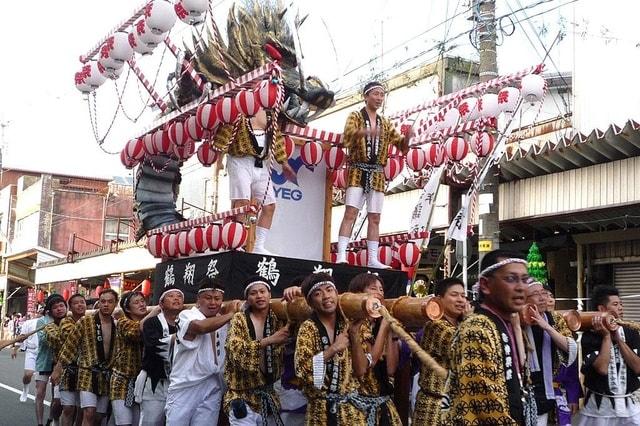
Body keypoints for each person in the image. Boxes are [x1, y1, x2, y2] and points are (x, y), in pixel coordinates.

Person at [443, 249, 534, 425]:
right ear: (485, 285)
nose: (521, 287)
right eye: (511, 278)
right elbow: (486, 404)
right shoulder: (477, 329)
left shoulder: (503, 322)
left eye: (525, 280)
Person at [335, 81, 410, 268]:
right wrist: (367, 131)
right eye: (376, 94)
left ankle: (373, 259)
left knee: (375, 217)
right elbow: (347, 136)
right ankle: (341, 255)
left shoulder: (385, 122)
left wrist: (408, 138)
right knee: (350, 212)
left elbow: (400, 145)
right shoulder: (355, 116)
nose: (379, 98)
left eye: (382, 95)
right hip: (357, 169)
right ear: (366, 96)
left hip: (377, 173)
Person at [214, 108, 295, 255]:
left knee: (269, 205)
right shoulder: (239, 108)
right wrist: (218, 161)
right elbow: (224, 135)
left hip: (261, 163)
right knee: (242, 204)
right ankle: (236, 244)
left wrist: (284, 163)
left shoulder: (270, 113)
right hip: (240, 160)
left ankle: (259, 246)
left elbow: (277, 138)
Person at [294, 273, 368, 424]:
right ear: (310, 302)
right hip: (320, 412)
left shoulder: (348, 324)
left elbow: (361, 371)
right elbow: (302, 370)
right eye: (318, 293)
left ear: (336, 293)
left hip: (350, 411)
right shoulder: (308, 328)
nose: (326, 296)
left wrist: (354, 334)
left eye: (329, 290)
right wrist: (333, 348)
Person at [165, 277, 233, 426]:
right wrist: (231, 314)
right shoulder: (186, 316)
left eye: (217, 298)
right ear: (198, 300)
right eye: (208, 298)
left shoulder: (223, 320)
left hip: (213, 385)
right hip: (185, 387)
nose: (213, 303)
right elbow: (201, 327)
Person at [224, 275, 290, 425]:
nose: (259, 296)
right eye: (253, 293)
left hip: (269, 395)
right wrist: (271, 339)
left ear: (270, 295)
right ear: (247, 298)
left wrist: (297, 291)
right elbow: (235, 350)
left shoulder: (279, 318)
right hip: (242, 396)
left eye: (262, 291)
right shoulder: (240, 319)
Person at [52, 289, 119, 426]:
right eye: (103, 301)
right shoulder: (85, 321)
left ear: (116, 304)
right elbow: (70, 345)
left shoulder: (117, 324)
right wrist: (58, 368)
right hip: (86, 372)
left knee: (98, 416)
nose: (106, 305)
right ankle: (54, 419)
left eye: (110, 302)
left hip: (105, 375)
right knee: (87, 411)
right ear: (98, 303)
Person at [576, 285, 640, 425]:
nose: (621, 308)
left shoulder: (631, 333)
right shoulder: (590, 336)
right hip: (599, 410)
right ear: (602, 309)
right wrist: (606, 337)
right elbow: (602, 369)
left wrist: (619, 340)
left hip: (630, 407)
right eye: (615, 304)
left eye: (621, 304)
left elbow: (638, 367)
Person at [413, 277, 468, 425]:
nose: (461, 300)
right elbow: (465, 348)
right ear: (439, 299)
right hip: (434, 407)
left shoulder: (460, 324)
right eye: (454, 295)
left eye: (463, 296)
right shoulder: (436, 326)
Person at [348, 273, 401, 425]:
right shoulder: (355, 323)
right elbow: (367, 364)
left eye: (381, 289)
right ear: (359, 294)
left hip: (382, 402)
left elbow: (390, 369)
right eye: (373, 288)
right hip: (358, 406)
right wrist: (384, 328)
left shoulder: (379, 323)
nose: (379, 293)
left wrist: (391, 332)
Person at [523, 281, 577, 425]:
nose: (542, 298)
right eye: (536, 294)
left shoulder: (555, 319)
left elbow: (570, 348)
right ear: (523, 298)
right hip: (525, 389)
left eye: (544, 293)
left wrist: (546, 326)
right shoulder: (516, 320)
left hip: (550, 389)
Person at [136, 285, 184, 426]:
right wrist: (182, 336)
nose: (176, 298)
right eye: (171, 296)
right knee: (151, 421)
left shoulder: (187, 322)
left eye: (179, 296)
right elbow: (154, 346)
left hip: (180, 382)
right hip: (155, 380)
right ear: (161, 304)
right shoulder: (152, 322)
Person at [110, 291, 158, 426]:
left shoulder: (151, 323)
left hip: (139, 382)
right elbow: (136, 331)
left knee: (137, 423)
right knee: (124, 422)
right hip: (121, 381)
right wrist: (157, 309)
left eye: (143, 301)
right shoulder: (123, 322)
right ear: (127, 308)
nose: (142, 304)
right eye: (136, 303)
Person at [276, 276, 308, 426]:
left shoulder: (326, 315)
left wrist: (303, 291)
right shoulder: (281, 316)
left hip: (321, 394)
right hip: (291, 391)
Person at [35, 294, 68, 426]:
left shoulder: (67, 321)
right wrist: (51, 324)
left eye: (61, 306)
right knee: (40, 394)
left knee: (57, 397)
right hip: (44, 361)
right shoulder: (42, 321)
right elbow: (43, 340)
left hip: (59, 363)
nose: (59, 309)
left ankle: (52, 419)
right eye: (55, 307)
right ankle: (40, 423)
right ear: (49, 310)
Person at [56, 294, 87, 426]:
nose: (80, 305)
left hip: (86, 371)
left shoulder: (91, 320)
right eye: (76, 303)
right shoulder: (66, 322)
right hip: (68, 370)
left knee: (82, 410)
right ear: (70, 307)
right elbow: (76, 335)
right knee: (68, 408)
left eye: (82, 302)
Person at [12, 306, 43, 402]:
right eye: (40, 311)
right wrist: (15, 349)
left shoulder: (50, 323)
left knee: (40, 380)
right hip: (31, 352)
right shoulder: (29, 323)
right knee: (28, 375)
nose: (41, 313)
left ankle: (38, 396)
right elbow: (22, 337)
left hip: (43, 353)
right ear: (37, 312)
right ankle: (25, 389)